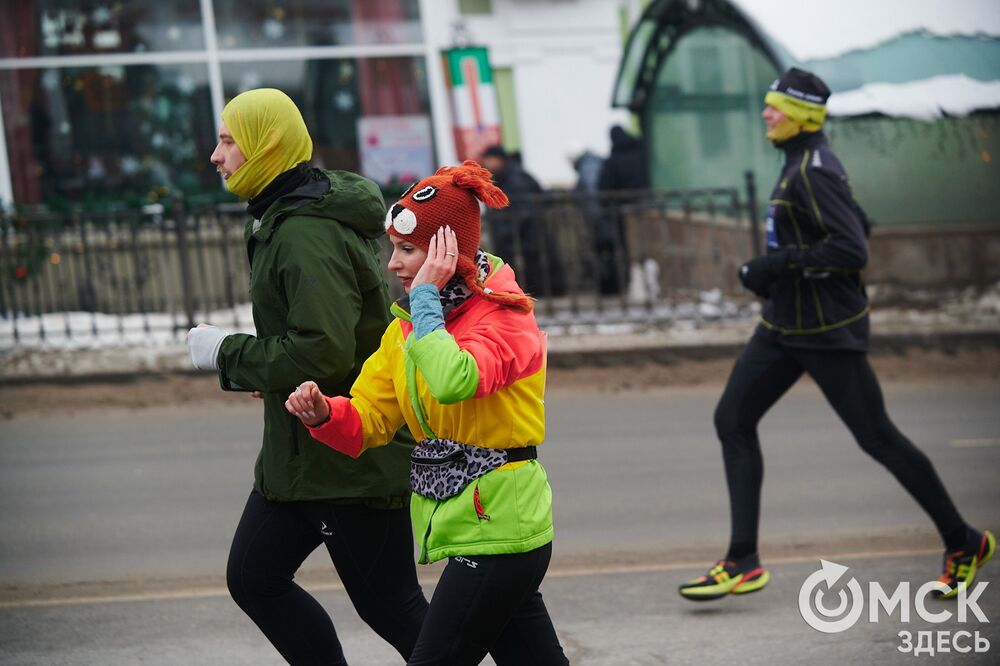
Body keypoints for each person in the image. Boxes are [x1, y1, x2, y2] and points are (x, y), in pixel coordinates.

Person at [678, 68, 994, 602]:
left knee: (879, 439)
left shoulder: (813, 170)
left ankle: (964, 542)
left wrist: (773, 266)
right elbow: (858, 223)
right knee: (732, 420)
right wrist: (784, 270)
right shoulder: (802, 163)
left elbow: (852, 249)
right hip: (783, 326)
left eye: (774, 107)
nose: (765, 114)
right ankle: (743, 559)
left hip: (825, 331)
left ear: (801, 114)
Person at [285, 161, 569, 666]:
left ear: (446, 256)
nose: (392, 263)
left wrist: (424, 301)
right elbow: (370, 419)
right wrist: (322, 414)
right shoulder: (409, 329)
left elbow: (454, 380)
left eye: (407, 249)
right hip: (472, 526)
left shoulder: (506, 314)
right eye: (393, 247)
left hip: (501, 525)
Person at [187, 88, 427, 664]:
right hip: (297, 460)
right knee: (254, 578)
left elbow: (321, 352)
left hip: (347, 458)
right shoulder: (283, 216)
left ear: (265, 147)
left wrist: (228, 353)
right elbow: (311, 343)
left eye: (228, 142)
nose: (216, 156)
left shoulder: (303, 231)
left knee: (392, 607)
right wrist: (267, 369)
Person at [480, 144, 564, 296]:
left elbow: (523, 208)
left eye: (490, 160)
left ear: (499, 159)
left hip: (528, 232)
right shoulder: (508, 175)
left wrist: (506, 231)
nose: (487, 164)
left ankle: (543, 293)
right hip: (524, 232)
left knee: (536, 265)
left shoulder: (515, 178)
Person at [597, 125, 648, 296]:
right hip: (646, 207)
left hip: (622, 211)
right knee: (646, 249)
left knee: (627, 251)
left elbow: (604, 187)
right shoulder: (641, 152)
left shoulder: (613, 160)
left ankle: (632, 285)